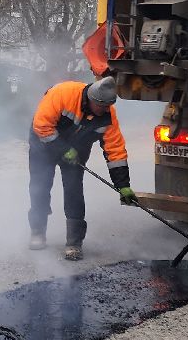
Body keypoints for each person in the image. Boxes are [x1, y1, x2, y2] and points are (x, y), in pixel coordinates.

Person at [29, 76, 136, 260]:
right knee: (40, 186)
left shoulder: (108, 116)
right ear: (92, 100)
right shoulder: (63, 94)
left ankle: (74, 243)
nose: (104, 111)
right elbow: (42, 125)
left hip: (75, 152)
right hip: (44, 144)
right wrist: (62, 149)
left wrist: (123, 185)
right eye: (101, 107)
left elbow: (115, 150)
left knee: (74, 191)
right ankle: (37, 232)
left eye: (108, 107)